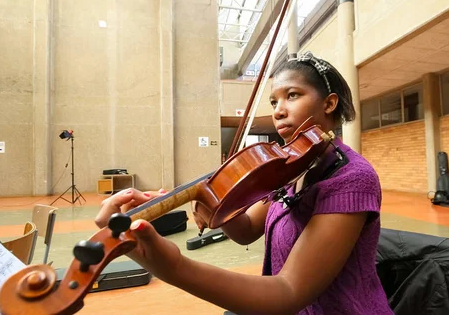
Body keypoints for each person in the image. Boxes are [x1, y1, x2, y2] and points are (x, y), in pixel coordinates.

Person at [96, 51, 393, 314]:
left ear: (329, 104)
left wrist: (174, 268)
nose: (278, 111)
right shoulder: (294, 168)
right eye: (274, 101)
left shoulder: (352, 179)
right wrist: (210, 198)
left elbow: (288, 292)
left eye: (293, 95)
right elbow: (246, 230)